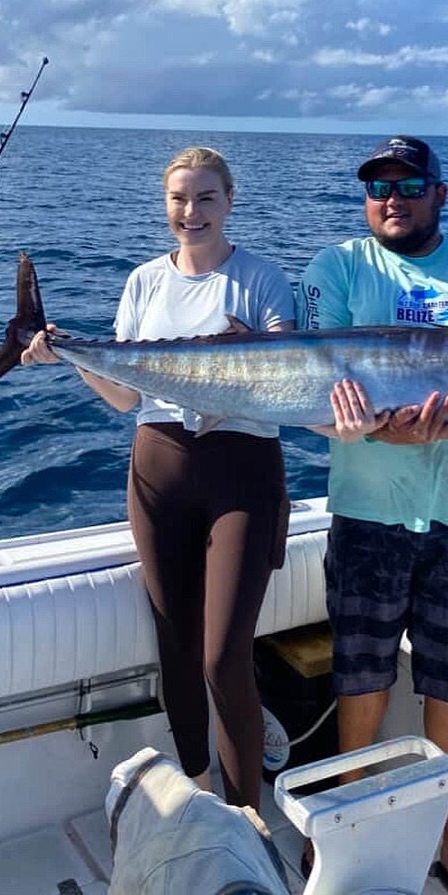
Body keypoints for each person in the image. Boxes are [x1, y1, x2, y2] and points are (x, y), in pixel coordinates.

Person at [297, 135, 448, 895]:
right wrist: (377, 428)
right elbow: (305, 388)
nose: (392, 198)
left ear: (441, 193)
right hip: (370, 509)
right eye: (378, 187)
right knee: (360, 682)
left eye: (409, 185)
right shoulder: (337, 268)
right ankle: (342, 838)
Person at [22, 146, 295, 811]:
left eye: (205, 198)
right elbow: (124, 397)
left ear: (230, 202)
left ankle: (246, 821)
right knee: (175, 647)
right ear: (165, 205)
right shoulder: (144, 281)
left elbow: (288, 370)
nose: (191, 211)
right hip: (158, 470)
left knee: (222, 657)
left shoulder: (262, 280)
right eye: (179, 199)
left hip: (242, 470)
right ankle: (199, 797)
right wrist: (66, 353)